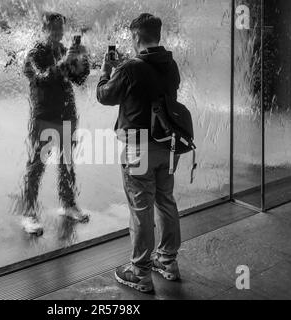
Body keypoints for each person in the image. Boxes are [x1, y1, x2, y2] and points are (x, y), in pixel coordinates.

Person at [97, 13, 182, 293]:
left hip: (139, 147)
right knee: (166, 200)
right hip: (168, 144)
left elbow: (105, 96)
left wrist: (106, 70)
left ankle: (140, 272)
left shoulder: (130, 68)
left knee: (141, 209)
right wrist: (124, 66)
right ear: (157, 34)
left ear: (135, 36)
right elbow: (153, 89)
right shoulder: (171, 65)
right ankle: (167, 262)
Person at [18, 12, 91, 236]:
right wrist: (64, 62)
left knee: (67, 163)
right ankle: (28, 213)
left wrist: (82, 60)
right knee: (37, 166)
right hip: (44, 117)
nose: (58, 33)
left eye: (61, 29)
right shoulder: (34, 53)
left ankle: (68, 204)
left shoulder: (62, 50)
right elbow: (40, 78)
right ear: (44, 29)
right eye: (53, 28)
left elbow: (79, 80)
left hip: (67, 114)